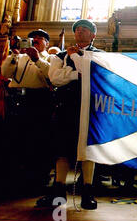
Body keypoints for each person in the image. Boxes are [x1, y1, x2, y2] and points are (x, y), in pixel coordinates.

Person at [36, 19, 102, 210]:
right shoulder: (60, 55)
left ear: (93, 35)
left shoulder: (100, 56)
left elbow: (91, 74)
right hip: (67, 105)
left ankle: (88, 191)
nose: (80, 32)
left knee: (88, 148)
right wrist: (74, 74)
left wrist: (74, 62)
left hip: (90, 106)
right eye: (78, 30)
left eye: (85, 30)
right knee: (61, 147)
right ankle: (58, 190)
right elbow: (55, 78)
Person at [0, 30, 54, 193]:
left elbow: (52, 75)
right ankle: (14, 176)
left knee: (37, 140)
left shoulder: (50, 58)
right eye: (33, 38)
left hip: (38, 100)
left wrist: (37, 58)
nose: (36, 40)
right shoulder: (19, 57)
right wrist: (14, 55)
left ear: (47, 44)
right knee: (15, 138)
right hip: (17, 99)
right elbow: (5, 73)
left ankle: (37, 178)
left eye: (41, 38)